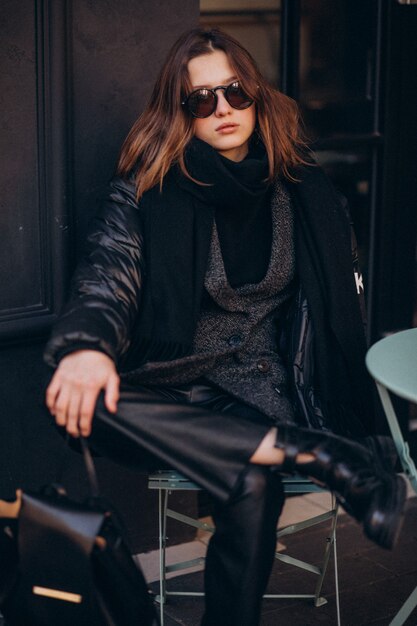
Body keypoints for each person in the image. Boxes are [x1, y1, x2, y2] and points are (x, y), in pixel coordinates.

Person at [44, 27, 405, 626]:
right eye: (201, 99)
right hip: (168, 387)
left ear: (257, 96)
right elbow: (106, 274)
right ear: (180, 113)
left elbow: (342, 306)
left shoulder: (305, 193)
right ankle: (312, 454)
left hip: (260, 390)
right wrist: (87, 347)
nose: (222, 109)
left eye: (234, 92)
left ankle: (301, 445)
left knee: (248, 486)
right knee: (68, 383)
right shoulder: (144, 194)